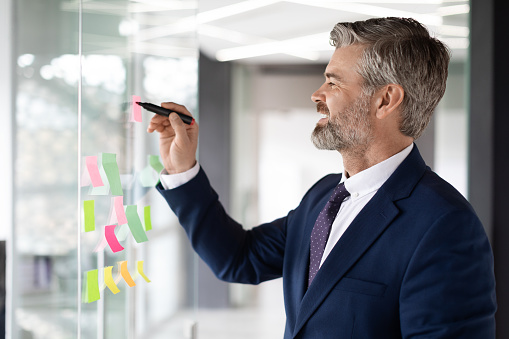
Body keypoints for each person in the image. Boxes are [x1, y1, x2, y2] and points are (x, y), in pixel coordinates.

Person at [147, 17, 496, 338]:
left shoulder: (445, 226)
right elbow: (238, 259)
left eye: (332, 82)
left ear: (385, 99)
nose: (317, 94)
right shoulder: (324, 197)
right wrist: (183, 169)